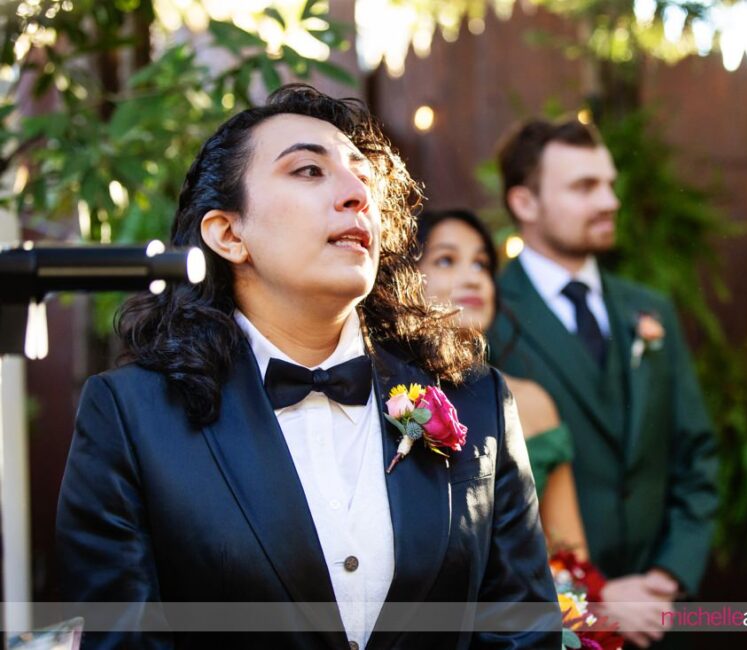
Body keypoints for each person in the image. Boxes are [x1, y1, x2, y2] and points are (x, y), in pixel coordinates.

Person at [56, 84, 559, 650]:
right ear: (228, 233)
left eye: (364, 178)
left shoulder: (477, 402)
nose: (356, 194)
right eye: (309, 172)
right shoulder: (131, 417)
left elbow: (522, 631)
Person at [487, 118, 719, 648]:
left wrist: (668, 577)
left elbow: (696, 456)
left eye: (609, 183)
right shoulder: (491, 321)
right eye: (584, 186)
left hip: (660, 620)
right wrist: (593, 596)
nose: (610, 200)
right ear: (525, 203)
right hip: (553, 625)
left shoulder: (649, 309)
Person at [416, 209, 589, 558]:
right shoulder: (386, 396)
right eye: (447, 260)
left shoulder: (531, 403)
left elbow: (570, 555)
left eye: (481, 264)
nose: (473, 278)